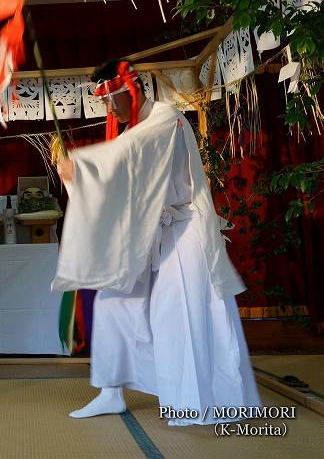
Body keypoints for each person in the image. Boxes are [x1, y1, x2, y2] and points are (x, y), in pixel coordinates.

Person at [52, 59, 261, 426]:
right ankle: (111, 392)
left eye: (107, 100)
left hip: (185, 232)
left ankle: (199, 401)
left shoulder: (165, 119)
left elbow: (128, 154)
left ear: (124, 93)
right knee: (114, 301)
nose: (106, 109)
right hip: (152, 232)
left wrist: (81, 167)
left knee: (181, 313)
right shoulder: (137, 129)